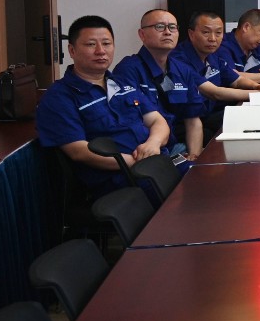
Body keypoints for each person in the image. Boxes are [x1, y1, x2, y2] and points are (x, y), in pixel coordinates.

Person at [35, 14, 170, 197]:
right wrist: (135, 162)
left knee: (201, 177)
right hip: (119, 180)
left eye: (106, 43)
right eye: (91, 44)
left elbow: (157, 121)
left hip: (157, 163)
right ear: (72, 50)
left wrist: (153, 143)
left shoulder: (123, 83)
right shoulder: (59, 97)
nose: (101, 51)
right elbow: (79, 151)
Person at [111, 8, 208, 158]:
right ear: (142, 34)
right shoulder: (127, 70)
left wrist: (194, 157)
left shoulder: (183, 70)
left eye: (172, 27)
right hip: (144, 150)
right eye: (160, 27)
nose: (167, 32)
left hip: (175, 146)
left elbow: (193, 120)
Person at [173, 10, 260, 140]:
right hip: (186, 123)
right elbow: (214, 92)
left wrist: (257, 86)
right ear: (191, 34)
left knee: (252, 117)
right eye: (206, 32)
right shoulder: (179, 59)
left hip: (208, 115)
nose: (213, 39)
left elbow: (236, 81)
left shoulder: (213, 55)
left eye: (218, 33)